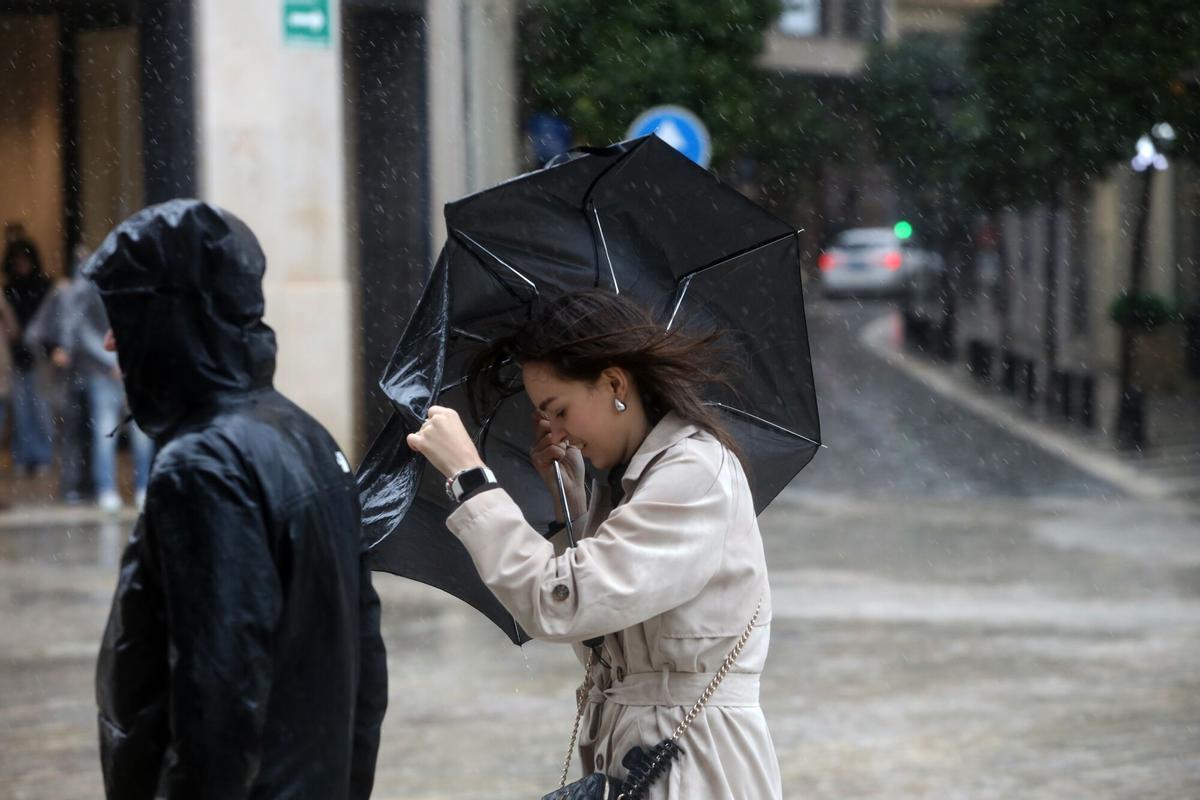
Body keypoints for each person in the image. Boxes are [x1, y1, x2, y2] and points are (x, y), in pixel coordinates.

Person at [406, 290, 782, 798]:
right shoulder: (631, 485)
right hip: (643, 752)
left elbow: (561, 607)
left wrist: (472, 481)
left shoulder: (694, 471)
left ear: (613, 382)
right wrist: (574, 510)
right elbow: (602, 641)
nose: (555, 431)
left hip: (695, 765)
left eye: (559, 409)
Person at [86, 200, 388, 799]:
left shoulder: (204, 463)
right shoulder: (306, 434)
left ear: (167, 319)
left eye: (124, 314)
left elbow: (218, 694)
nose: (110, 340)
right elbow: (364, 665)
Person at [33, 244, 154, 510]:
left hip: (129, 370)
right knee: (102, 432)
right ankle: (106, 488)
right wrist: (109, 360)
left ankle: (139, 486)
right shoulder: (86, 288)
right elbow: (78, 329)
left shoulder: (138, 288)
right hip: (104, 372)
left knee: (135, 433)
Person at [3, 235, 54, 473]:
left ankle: (42, 455)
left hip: (38, 356)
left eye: (25, 260)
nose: (21, 265)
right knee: (22, 411)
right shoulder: (8, 290)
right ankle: (23, 457)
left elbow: (50, 322)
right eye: (17, 260)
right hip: (14, 357)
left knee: (41, 410)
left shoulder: (44, 287)